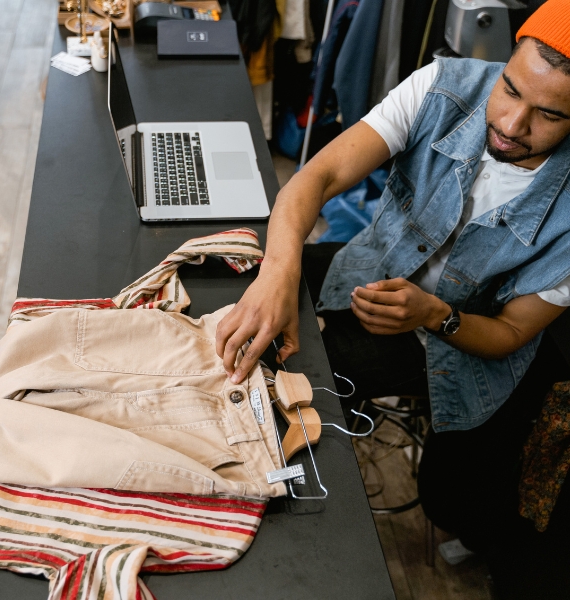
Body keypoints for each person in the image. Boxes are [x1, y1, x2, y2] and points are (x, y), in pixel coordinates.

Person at [216, 1, 570, 595]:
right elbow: (317, 178)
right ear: (505, 60)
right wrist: (278, 272)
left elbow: (509, 334)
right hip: (372, 270)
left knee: (293, 379)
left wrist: (435, 314)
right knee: (244, 298)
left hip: (461, 342)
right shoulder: (443, 87)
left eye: (549, 115)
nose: (511, 123)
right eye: (509, 88)